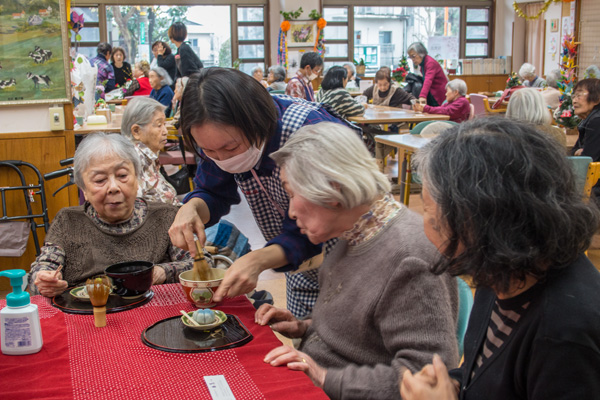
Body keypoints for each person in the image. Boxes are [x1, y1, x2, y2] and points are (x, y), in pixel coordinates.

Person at [400, 117, 600, 400]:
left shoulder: (565, 334)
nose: (425, 226)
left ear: (482, 221)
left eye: (431, 214)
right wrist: (453, 383)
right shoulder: (502, 268)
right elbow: (483, 375)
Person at [257, 122, 459, 399]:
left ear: (333, 189)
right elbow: (358, 334)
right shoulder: (354, 234)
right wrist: (304, 326)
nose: (291, 211)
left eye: (292, 194)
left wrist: (324, 376)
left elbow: (428, 377)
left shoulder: (408, 258)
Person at [170, 67, 362, 318]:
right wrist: (191, 207)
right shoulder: (217, 136)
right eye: (209, 152)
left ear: (255, 122)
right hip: (301, 265)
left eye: (231, 147)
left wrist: (258, 260)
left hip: (354, 259)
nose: (222, 159)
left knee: (351, 335)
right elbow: (213, 190)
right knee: (307, 338)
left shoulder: (310, 132)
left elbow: (313, 228)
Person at [29, 132, 198, 297]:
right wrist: (45, 279)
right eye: (100, 180)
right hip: (88, 316)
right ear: (84, 189)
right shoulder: (68, 221)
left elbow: (200, 264)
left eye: (122, 175)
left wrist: (163, 271)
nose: (113, 187)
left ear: (137, 179)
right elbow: (44, 267)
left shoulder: (165, 216)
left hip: (151, 313)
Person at [120, 97, 179, 206]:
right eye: (159, 125)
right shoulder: (134, 161)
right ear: (136, 131)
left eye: (164, 124)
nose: (165, 131)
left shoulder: (148, 155)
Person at [570, 79, 600, 199]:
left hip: (594, 192)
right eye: (574, 95)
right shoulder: (589, 120)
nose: (574, 100)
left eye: (579, 95)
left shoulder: (596, 121)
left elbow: (585, 162)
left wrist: (580, 152)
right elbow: (574, 152)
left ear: (597, 99)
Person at [407, 42, 448, 107]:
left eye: (413, 56)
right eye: (410, 57)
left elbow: (428, 81)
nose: (412, 60)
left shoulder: (430, 63)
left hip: (438, 95)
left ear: (421, 53)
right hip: (432, 94)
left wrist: (422, 96)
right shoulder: (423, 64)